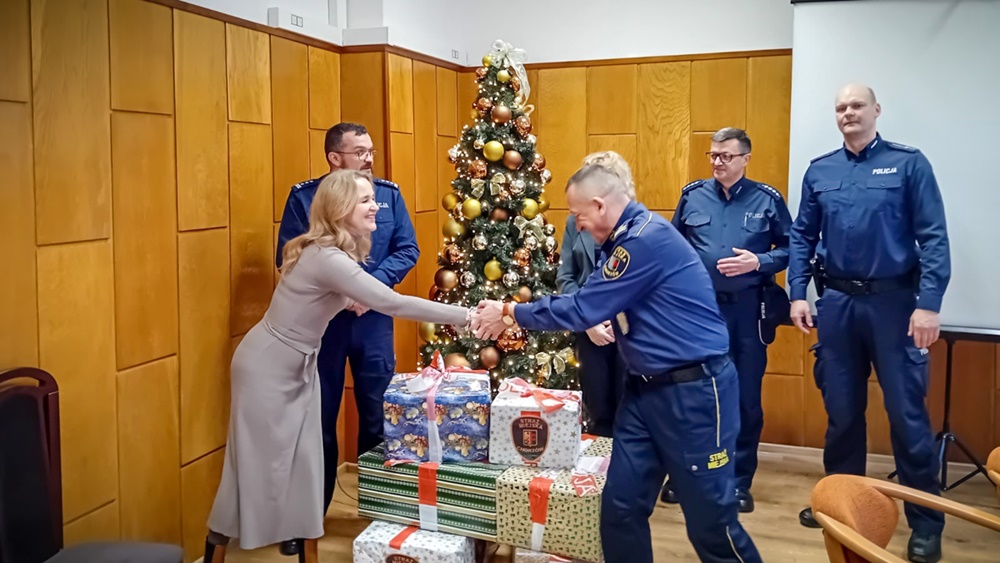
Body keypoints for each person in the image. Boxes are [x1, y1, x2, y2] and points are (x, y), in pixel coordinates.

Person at [471, 159, 761, 563]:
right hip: (644, 394)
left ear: (599, 205)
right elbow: (587, 301)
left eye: (578, 215)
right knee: (620, 509)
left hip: (694, 395)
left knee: (712, 523)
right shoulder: (622, 242)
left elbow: (584, 309)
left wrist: (509, 312)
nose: (579, 225)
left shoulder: (644, 241)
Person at [204, 170, 471, 561]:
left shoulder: (334, 254)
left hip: (296, 365)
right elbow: (391, 303)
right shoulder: (328, 259)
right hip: (268, 367)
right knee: (256, 464)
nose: (375, 206)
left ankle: (299, 547)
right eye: (365, 199)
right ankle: (219, 546)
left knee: (305, 464)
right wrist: (468, 315)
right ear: (341, 207)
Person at [788, 84, 950, 563]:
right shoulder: (821, 170)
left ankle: (926, 522)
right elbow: (802, 236)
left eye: (856, 105)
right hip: (837, 305)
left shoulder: (908, 163)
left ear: (876, 110)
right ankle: (840, 506)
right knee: (841, 415)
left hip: (896, 306)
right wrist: (798, 293)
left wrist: (930, 303)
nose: (848, 113)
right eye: (840, 107)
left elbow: (934, 237)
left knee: (907, 416)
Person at [276, 123, 419, 525]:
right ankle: (311, 518)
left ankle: (378, 516)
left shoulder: (387, 195)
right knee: (319, 420)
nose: (369, 158)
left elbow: (408, 248)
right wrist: (342, 289)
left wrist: (368, 288)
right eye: (360, 152)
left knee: (377, 417)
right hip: (324, 325)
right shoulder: (305, 198)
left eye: (371, 150)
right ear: (335, 158)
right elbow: (286, 259)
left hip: (373, 323)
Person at [662, 127, 792, 512]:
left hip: (748, 311)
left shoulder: (767, 200)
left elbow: (791, 248)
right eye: (714, 155)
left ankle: (738, 481)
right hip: (700, 311)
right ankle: (689, 475)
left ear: (745, 159)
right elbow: (673, 247)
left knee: (745, 398)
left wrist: (759, 261)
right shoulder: (693, 195)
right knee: (692, 393)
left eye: (726, 156)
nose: (718, 162)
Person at [554, 151, 632, 437]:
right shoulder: (575, 223)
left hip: (627, 330)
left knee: (629, 409)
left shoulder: (636, 225)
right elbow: (565, 278)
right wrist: (588, 321)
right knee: (598, 410)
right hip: (589, 329)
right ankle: (599, 477)